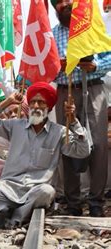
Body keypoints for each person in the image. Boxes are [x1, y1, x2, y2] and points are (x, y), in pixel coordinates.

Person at [0, 83, 90, 228]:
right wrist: (8, 101)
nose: (36, 106)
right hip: (9, 188)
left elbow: (83, 151)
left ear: (49, 107)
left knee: (47, 192)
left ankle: (14, 219)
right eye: (32, 102)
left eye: (41, 102)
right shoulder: (15, 126)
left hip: (36, 190)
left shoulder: (59, 132)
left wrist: (74, 121)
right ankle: (19, 215)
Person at [50, 0, 111, 217]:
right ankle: (73, 201)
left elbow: (110, 58)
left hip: (94, 90)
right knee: (67, 144)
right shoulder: (51, 34)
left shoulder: (92, 28)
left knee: (99, 146)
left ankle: (96, 201)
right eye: (61, 2)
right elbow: (45, 67)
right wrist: (59, 65)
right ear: (54, 7)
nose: (66, 4)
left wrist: (95, 66)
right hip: (65, 91)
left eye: (70, 0)